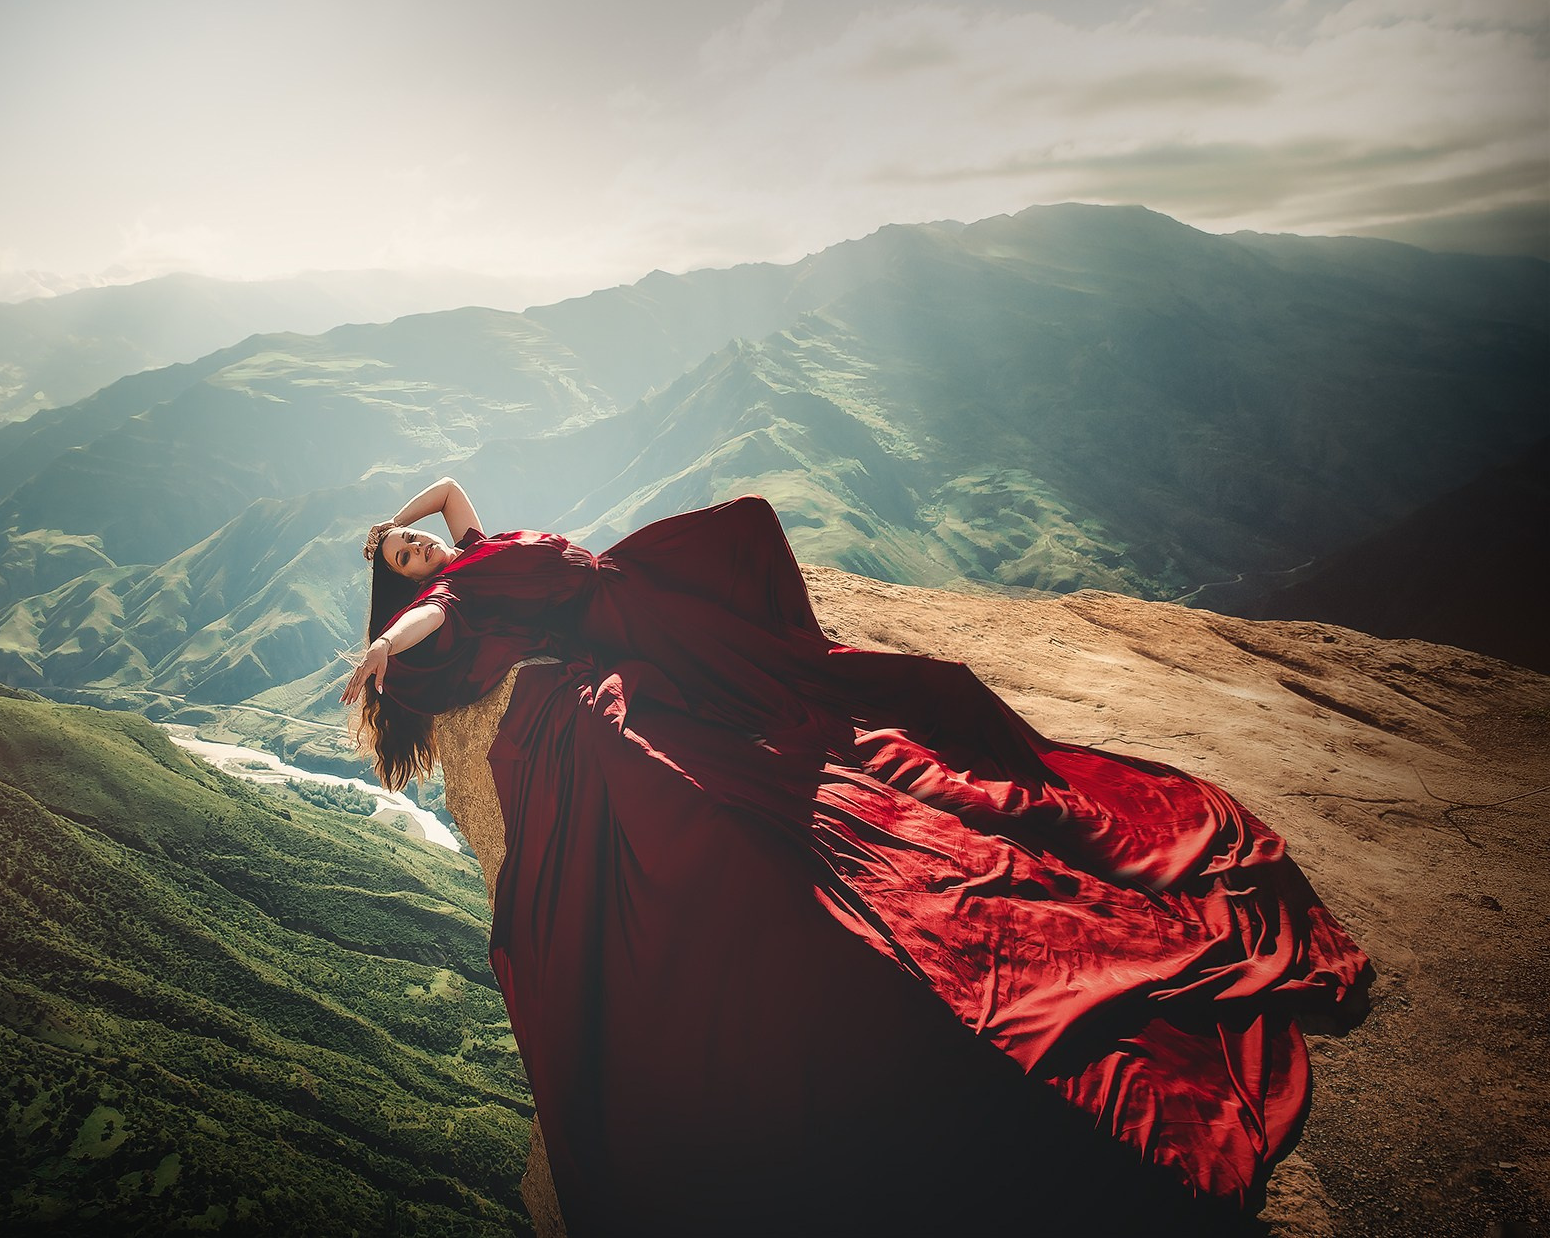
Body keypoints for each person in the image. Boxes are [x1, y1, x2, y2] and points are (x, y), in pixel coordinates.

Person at [344, 477, 1371, 1236]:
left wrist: (395, 521)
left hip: (632, 595)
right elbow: (436, 615)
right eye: (404, 565)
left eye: (415, 548)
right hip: (630, 619)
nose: (421, 557)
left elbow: (447, 492)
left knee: (743, 523)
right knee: (750, 640)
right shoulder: (460, 601)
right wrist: (387, 643)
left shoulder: (467, 545)